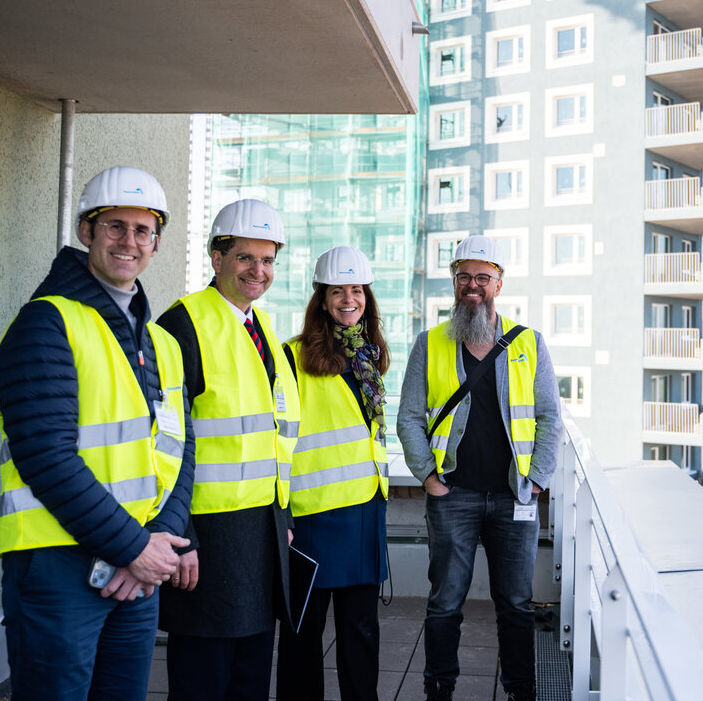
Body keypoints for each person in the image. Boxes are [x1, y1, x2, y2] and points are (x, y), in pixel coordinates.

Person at [0, 165, 195, 701]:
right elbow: (45, 457)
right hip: (59, 567)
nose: (130, 242)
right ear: (87, 232)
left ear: (156, 242)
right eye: (115, 227)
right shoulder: (46, 323)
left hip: (135, 569)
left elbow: (178, 448)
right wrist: (134, 548)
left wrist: (160, 544)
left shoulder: (158, 341)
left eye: (143, 230)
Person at [397, 235, 563, 701]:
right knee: (445, 604)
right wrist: (428, 477)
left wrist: (535, 480)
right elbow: (409, 415)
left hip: (514, 498)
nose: (473, 285)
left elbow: (550, 417)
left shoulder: (530, 343)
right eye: (464, 276)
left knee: (515, 604)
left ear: (499, 283)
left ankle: (521, 690)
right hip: (454, 496)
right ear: (454, 282)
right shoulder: (429, 344)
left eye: (483, 277)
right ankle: (439, 689)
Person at [157, 199, 300, 701]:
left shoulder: (262, 330)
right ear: (216, 259)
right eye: (245, 258)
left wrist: (282, 519)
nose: (257, 271)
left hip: (261, 533)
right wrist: (180, 534)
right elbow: (165, 443)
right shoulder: (182, 325)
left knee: (250, 678)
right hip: (206, 536)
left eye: (267, 261)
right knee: (203, 680)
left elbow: (274, 439)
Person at [276, 245, 391, 701]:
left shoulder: (369, 355)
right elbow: (276, 439)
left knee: (362, 632)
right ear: (321, 299)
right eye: (338, 290)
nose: (350, 299)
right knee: (302, 635)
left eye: (358, 290)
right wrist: (281, 513)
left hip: (363, 512)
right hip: (311, 519)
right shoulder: (290, 357)